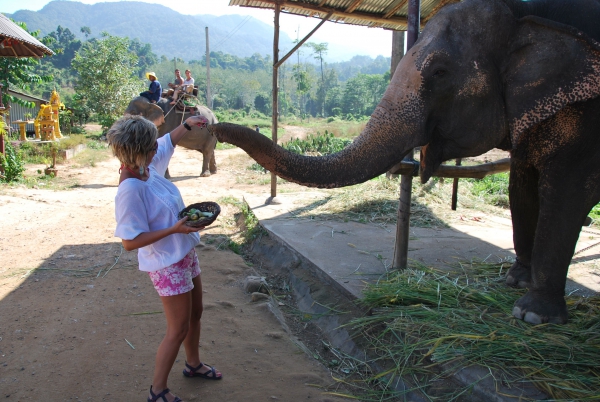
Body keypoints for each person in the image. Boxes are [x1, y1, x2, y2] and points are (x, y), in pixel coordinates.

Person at [107, 114, 222, 402]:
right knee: (177, 328)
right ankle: (157, 390)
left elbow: (166, 142)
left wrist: (187, 124)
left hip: (184, 251)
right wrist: (174, 228)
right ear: (138, 152)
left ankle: (193, 364)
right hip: (166, 263)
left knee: (196, 312)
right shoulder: (130, 189)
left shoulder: (147, 168)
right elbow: (129, 242)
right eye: (150, 146)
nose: (156, 148)